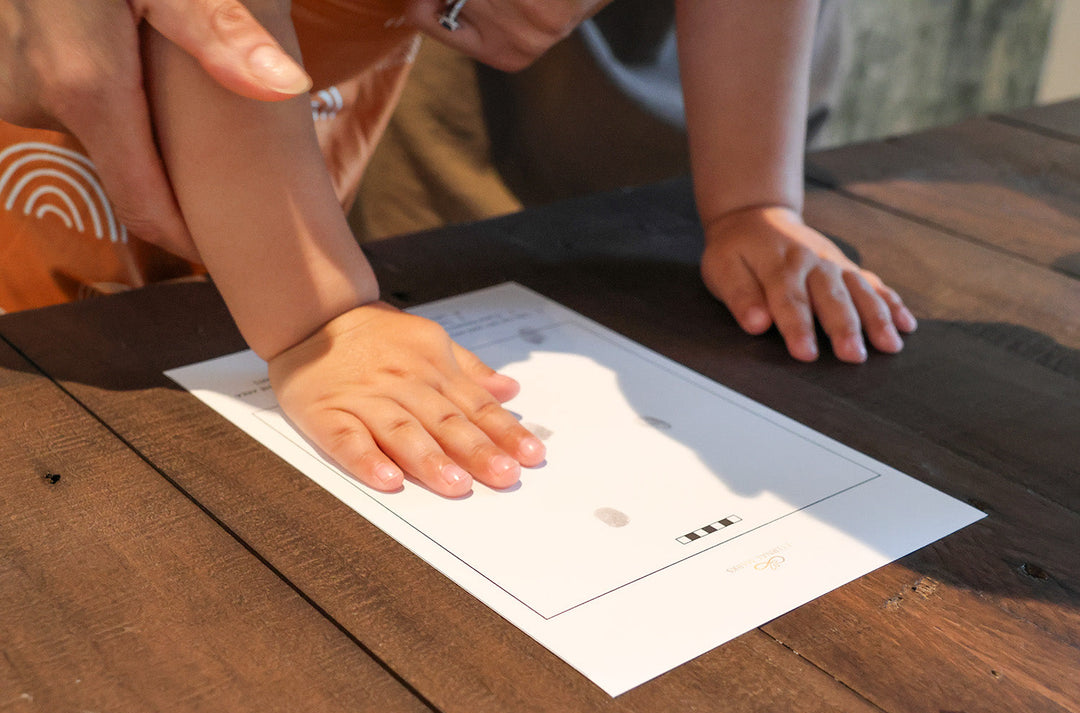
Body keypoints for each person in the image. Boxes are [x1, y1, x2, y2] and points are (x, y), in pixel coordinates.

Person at [1, 0, 916, 496]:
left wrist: (752, 199)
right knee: (72, 324)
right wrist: (323, 319)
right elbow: (211, 22)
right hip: (75, 88)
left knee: (198, 307)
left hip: (287, 120)